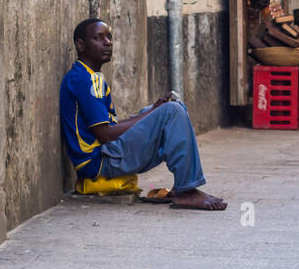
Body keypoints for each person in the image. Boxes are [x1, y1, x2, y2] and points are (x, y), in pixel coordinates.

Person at [60, 18, 226, 211]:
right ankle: (186, 191)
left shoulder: (87, 75)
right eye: (98, 38)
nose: (107, 43)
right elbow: (105, 134)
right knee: (171, 111)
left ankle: (183, 184)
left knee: (174, 108)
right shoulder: (85, 80)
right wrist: (155, 112)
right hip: (99, 162)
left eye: (109, 38)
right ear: (80, 44)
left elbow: (107, 130)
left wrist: (152, 112)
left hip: (103, 155)